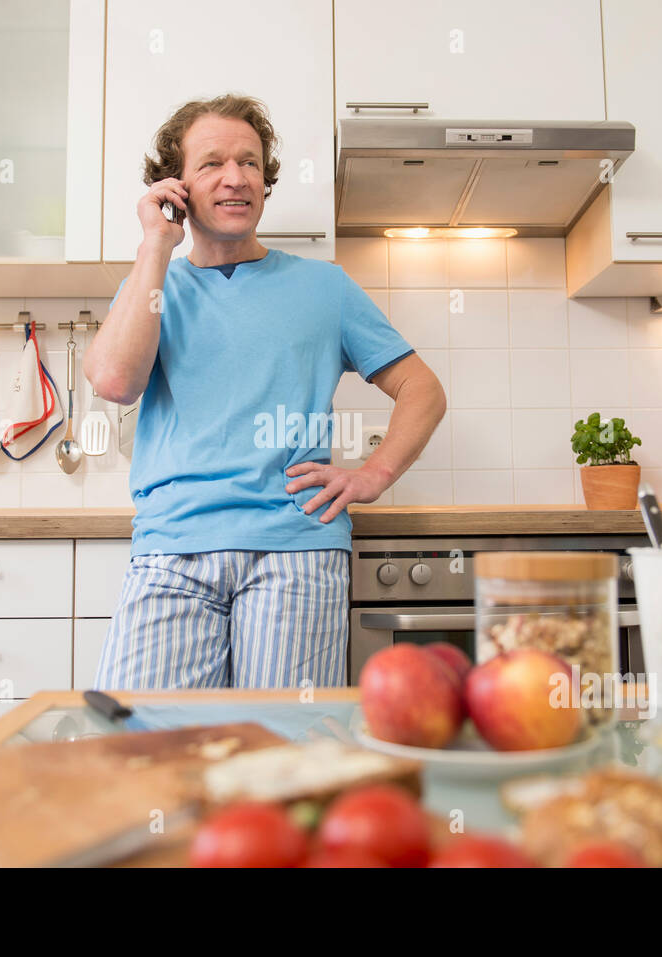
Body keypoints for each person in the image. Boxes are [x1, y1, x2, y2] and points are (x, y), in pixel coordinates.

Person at [87, 93, 445, 689]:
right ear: (175, 184)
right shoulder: (151, 283)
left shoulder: (323, 287)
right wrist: (155, 243)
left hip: (296, 552)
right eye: (212, 163)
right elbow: (116, 382)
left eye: (250, 162)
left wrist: (373, 473)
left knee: (282, 753)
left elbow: (421, 388)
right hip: (171, 549)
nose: (236, 178)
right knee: (143, 746)